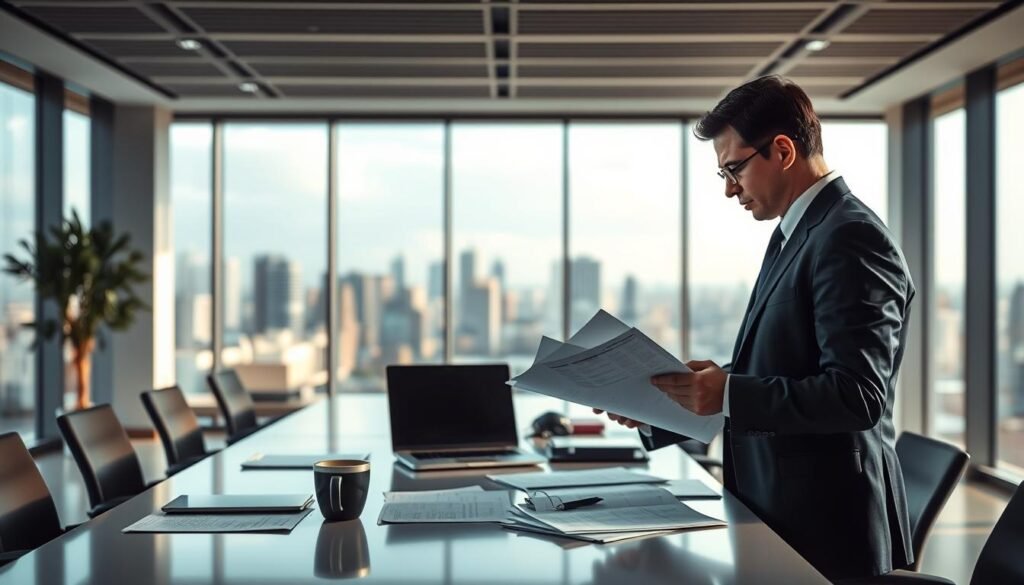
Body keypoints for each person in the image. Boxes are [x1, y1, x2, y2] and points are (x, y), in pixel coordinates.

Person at [596, 75, 915, 581]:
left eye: (733, 170)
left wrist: (726, 395)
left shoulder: (850, 236)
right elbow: (784, 366)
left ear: (782, 150)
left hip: (828, 529)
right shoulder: (798, 232)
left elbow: (857, 396)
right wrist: (668, 399)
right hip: (780, 511)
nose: (728, 190)